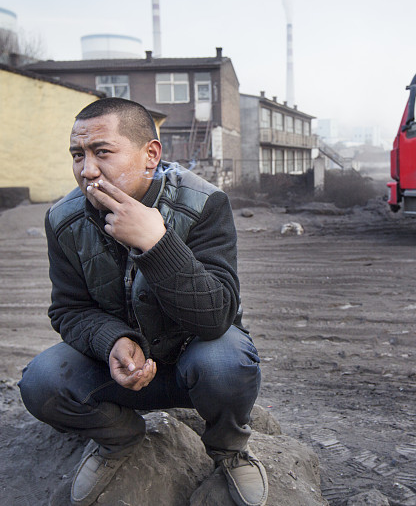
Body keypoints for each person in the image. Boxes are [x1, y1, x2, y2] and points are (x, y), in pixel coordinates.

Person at [18, 97, 267, 506]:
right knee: (41, 381)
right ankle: (119, 437)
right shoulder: (63, 219)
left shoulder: (204, 203)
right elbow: (68, 309)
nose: (87, 170)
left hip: (196, 363)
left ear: (150, 155)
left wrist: (157, 243)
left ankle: (229, 450)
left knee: (227, 360)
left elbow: (217, 315)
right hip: (121, 372)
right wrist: (113, 341)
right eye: (77, 155)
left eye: (102, 152)